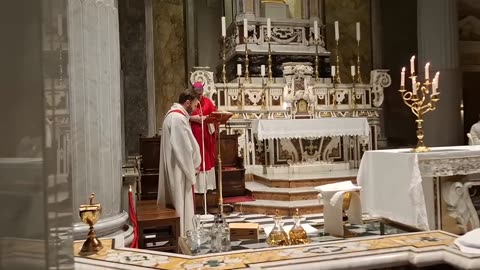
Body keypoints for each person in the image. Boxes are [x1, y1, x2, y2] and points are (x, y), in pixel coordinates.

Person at [157, 89, 201, 236]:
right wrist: (192, 168)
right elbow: (183, 149)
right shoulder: (177, 118)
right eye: (194, 105)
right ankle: (184, 234)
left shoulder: (174, 115)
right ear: (187, 102)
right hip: (180, 169)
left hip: (178, 166)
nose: (195, 109)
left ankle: (181, 233)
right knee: (181, 203)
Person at [189, 82, 217, 194]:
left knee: (206, 158)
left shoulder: (208, 102)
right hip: (194, 133)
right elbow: (183, 116)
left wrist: (208, 118)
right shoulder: (190, 102)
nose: (199, 97)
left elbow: (215, 115)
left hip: (206, 135)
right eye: (197, 94)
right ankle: (196, 188)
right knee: (196, 156)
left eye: (200, 94)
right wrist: (191, 118)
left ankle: (207, 186)